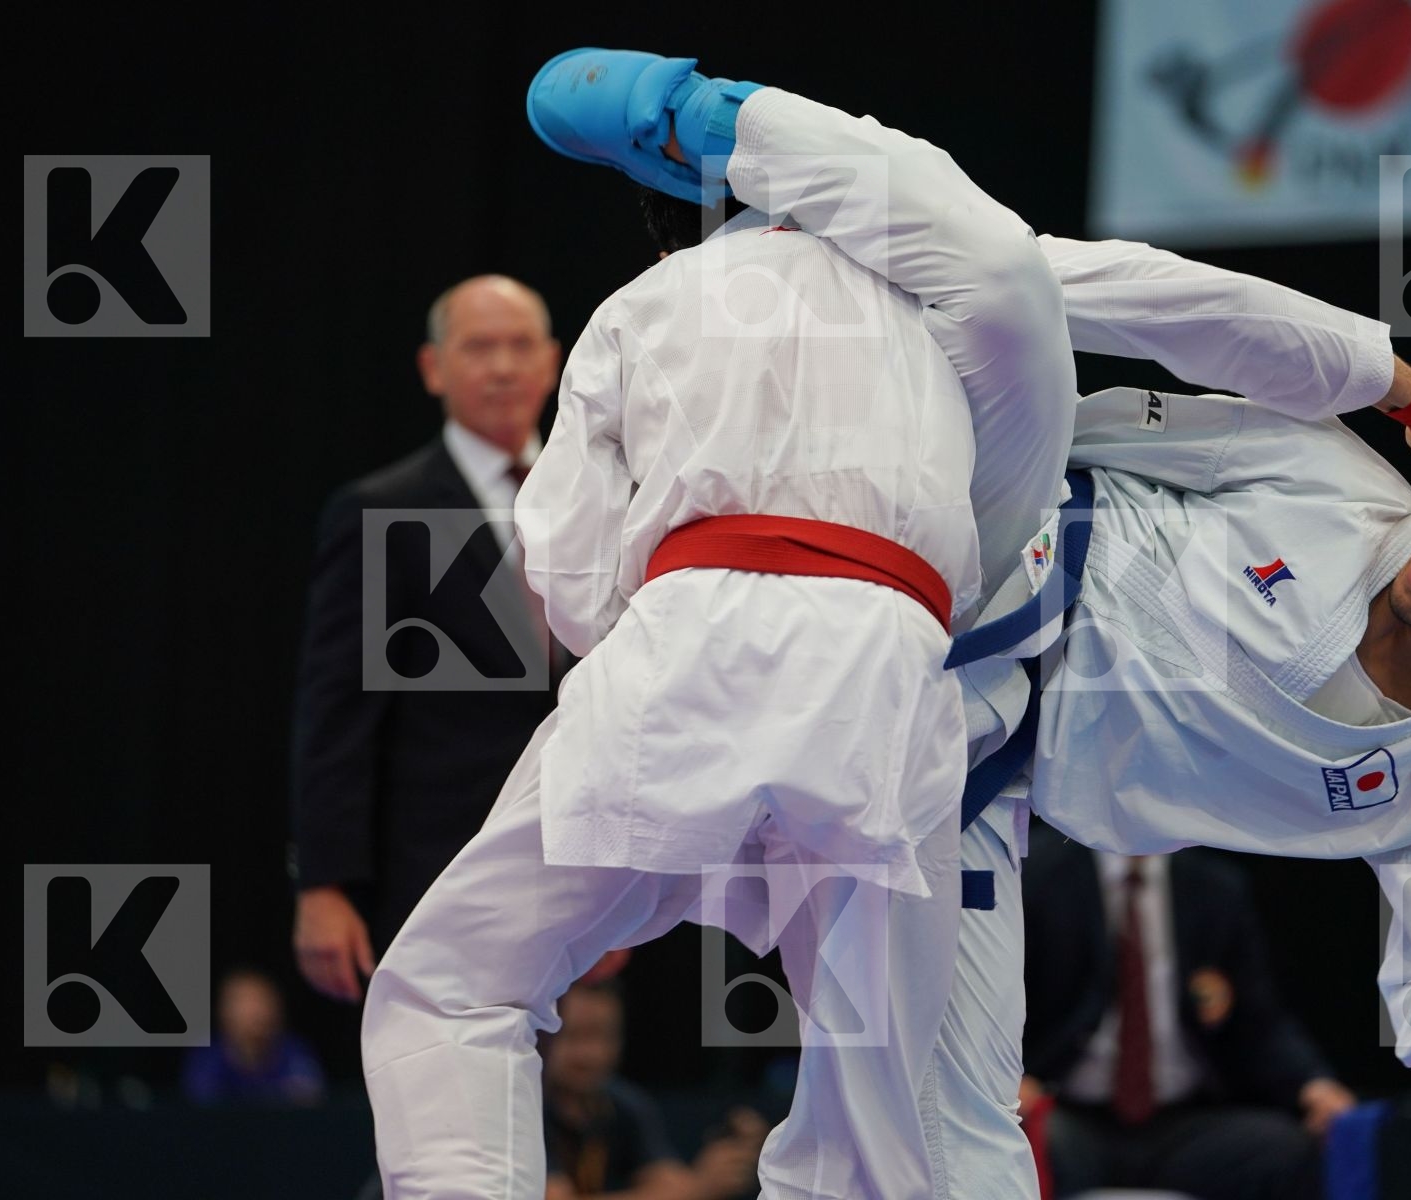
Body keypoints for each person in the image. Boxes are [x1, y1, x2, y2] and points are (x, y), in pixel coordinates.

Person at [537, 55, 1411, 1199]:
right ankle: (722, 138)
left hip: (970, 782)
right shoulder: (1332, 488)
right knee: (1011, 273)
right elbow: (1150, 315)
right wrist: (1402, 390)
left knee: (949, 1160)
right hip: (994, 529)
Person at [360, 49, 1076, 1200]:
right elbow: (1010, 494)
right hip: (895, 672)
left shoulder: (648, 303)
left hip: (694, 644)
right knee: (882, 1102)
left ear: (666, 235)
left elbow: (575, 579)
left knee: (454, 987)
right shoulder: (944, 310)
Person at [289, 275, 564, 1001]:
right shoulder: (386, 509)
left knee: (566, 1099)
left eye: (519, 346)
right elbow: (337, 711)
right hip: (438, 869)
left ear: (554, 361)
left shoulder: (603, 496)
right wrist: (323, 881)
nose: (503, 367)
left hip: (580, 866)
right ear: (434, 368)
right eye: (479, 347)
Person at [1022, 843, 1355, 1199]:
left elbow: (1258, 1020)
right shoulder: (1038, 874)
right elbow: (997, 998)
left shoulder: (1213, 885)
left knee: (1285, 1148)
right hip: (1068, 1111)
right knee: (1025, 1142)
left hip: (1182, 1121)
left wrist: (1313, 1084)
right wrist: (1008, 1080)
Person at [542, 980, 767, 1199]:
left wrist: (729, 1159)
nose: (592, 1053)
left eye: (606, 1036)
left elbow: (670, 1181)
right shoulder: (525, 1108)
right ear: (540, 1035)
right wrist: (698, 1187)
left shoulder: (622, 1103)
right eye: (574, 1036)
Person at [181, 967, 326, 1106]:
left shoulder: (296, 1054)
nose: (258, 1012)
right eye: (246, 1003)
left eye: (263, 1001)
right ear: (224, 1012)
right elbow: (201, 1109)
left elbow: (309, 1103)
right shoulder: (206, 1058)